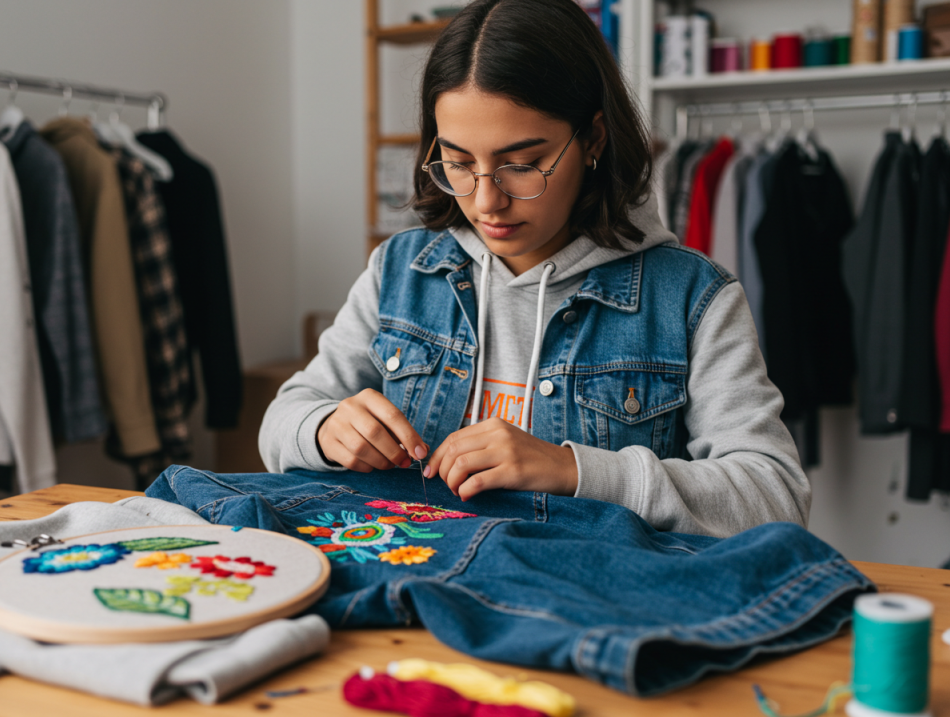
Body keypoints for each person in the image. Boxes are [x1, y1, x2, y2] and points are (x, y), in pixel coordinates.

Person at [259, 0, 809, 537]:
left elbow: (774, 496)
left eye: (520, 165)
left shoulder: (691, 298)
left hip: (588, 611)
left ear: (592, 138)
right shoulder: (400, 269)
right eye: (457, 162)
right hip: (417, 600)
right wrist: (325, 429)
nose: (485, 202)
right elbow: (283, 420)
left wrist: (572, 470)